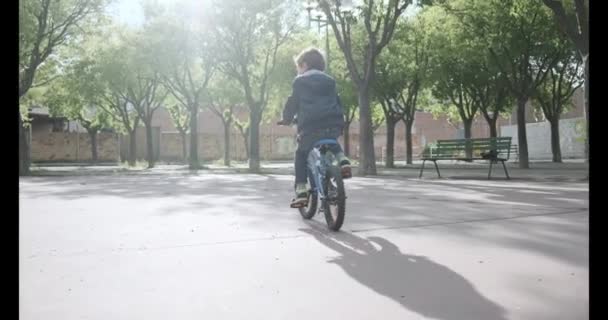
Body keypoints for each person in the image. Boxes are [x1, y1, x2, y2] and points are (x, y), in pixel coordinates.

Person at [277, 47, 351, 208]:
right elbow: (337, 101)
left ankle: (302, 191)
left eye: (298, 67)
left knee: (301, 155)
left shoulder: (300, 81)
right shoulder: (330, 81)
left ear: (304, 65)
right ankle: (343, 160)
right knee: (331, 143)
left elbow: (293, 103)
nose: (298, 71)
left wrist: (286, 119)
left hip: (310, 127)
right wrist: (340, 121)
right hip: (333, 124)